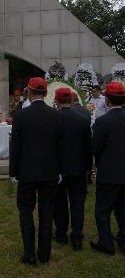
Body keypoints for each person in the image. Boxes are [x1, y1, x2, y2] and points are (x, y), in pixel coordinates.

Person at [10, 77, 62, 266]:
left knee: (25, 212)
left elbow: (15, 145)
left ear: (29, 93)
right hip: (49, 172)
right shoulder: (56, 115)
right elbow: (60, 146)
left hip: (26, 172)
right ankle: (44, 255)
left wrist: (13, 172)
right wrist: (60, 170)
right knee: (46, 213)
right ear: (46, 93)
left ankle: (30, 254)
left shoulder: (21, 116)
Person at [53, 88, 92, 250]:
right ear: (71, 100)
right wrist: (88, 168)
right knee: (77, 204)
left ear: (57, 101)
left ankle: (61, 234)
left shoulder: (53, 120)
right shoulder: (82, 119)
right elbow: (88, 147)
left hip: (59, 169)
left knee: (60, 203)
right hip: (78, 168)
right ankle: (76, 236)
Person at [90, 82, 125, 255]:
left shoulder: (103, 122)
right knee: (123, 208)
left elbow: (95, 148)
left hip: (109, 172)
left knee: (102, 209)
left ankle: (106, 242)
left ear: (108, 101)